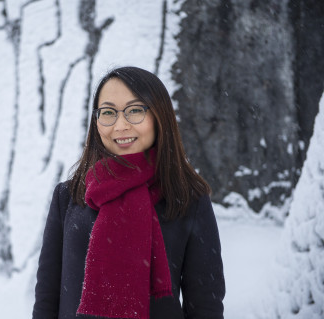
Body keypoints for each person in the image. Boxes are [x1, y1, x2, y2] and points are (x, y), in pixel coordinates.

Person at [32, 66, 225, 319]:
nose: (120, 126)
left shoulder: (188, 199)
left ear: (159, 117)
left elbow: (205, 308)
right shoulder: (69, 197)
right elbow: (47, 298)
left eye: (135, 110)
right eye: (108, 113)